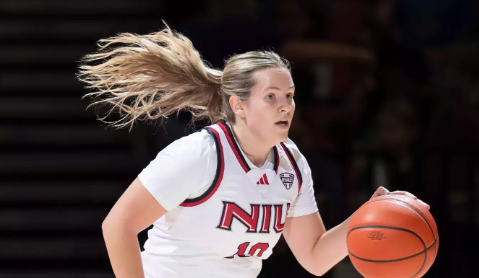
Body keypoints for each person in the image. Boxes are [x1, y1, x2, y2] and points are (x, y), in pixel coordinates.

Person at [77, 23, 428, 278]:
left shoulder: (291, 164)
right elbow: (119, 225)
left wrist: (367, 216)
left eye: (289, 96)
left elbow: (316, 257)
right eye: (271, 96)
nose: (286, 106)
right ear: (239, 105)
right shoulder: (199, 155)